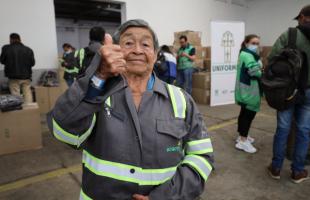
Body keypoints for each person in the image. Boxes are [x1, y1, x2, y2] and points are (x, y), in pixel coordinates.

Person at [47, 19, 214, 200]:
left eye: (145, 44)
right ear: (115, 50)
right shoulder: (97, 93)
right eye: (128, 43)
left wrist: (165, 196)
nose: (137, 50)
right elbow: (63, 132)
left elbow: (201, 156)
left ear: (155, 54)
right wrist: (98, 76)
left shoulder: (181, 99)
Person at [267, 5, 310, 184]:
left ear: (301, 17)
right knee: (304, 130)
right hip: (309, 91)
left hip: (287, 90)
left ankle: (276, 168)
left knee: (283, 129)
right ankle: (297, 171)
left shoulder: (291, 34)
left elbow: (271, 59)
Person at [234, 34, 262, 154]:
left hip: (245, 89)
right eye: (253, 43)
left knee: (244, 112)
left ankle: (241, 136)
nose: (255, 46)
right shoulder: (248, 55)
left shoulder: (244, 53)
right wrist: (263, 73)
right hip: (250, 90)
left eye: (257, 43)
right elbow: (255, 71)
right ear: (246, 43)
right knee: (249, 114)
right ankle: (243, 141)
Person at [0, 33, 35, 104]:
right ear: (20, 39)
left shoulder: (6, 48)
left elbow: (2, 61)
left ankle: (18, 113)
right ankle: (29, 111)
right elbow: (33, 63)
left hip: (13, 77)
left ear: (11, 39)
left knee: (16, 96)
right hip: (26, 77)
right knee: (27, 94)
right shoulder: (28, 49)